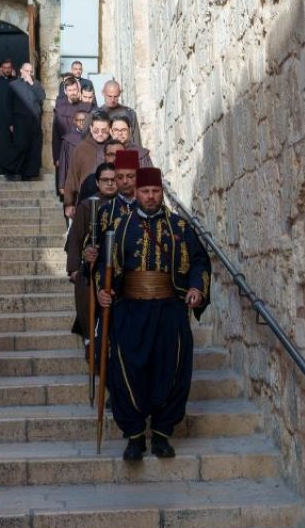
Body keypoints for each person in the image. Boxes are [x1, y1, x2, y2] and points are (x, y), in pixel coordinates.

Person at [90, 152, 211, 461]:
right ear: (136, 193)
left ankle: (161, 433)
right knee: (128, 371)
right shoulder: (117, 225)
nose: (150, 196)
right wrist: (102, 292)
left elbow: (198, 260)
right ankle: (133, 436)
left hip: (170, 310)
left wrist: (196, 287)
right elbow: (102, 266)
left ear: (161, 192)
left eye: (155, 191)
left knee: (170, 370)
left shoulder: (180, 226)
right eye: (145, 191)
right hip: (129, 310)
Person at [65, 162, 117, 345]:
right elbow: (75, 239)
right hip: (91, 268)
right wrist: (73, 268)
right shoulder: (87, 206)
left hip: (116, 269)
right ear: (97, 182)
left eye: (113, 179)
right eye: (105, 180)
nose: (110, 184)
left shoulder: (124, 205)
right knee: (89, 311)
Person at [63, 111, 112, 217]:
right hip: (86, 201)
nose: (100, 133)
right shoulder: (81, 148)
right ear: (90, 128)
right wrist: (69, 203)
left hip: (112, 202)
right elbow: (72, 177)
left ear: (110, 129)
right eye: (96, 130)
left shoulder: (115, 148)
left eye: (104, 130)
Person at [6, 62, 45, 181]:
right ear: (21, 71)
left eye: (31, 71)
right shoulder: (13, 85)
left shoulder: (36, 84)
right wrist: (10, 123)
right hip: (19, 120)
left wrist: (32, 84)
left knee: (33, 146)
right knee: (20, 146)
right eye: (27, 71)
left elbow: (41, 97)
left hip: (34, 119)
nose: (29, 73)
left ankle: (28, 173)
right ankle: (10, 170)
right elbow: (8, 105)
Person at [52, 77, 90, 194]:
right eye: (70, 90)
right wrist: (56, 157)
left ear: (78, 89)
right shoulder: (59, 110)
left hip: (83, 151)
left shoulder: (87, 108)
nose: (72, 92)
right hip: (65, 152)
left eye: (74, 89)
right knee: (67, 189)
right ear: (65, 91)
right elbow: (56, 135)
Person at [83, 80, 142, 149]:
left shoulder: (130, 114)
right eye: (109, 96)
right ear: (103, 93)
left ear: (120, 93)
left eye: (115, 96)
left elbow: (137, 142)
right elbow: (85, 141)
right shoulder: (93, 115)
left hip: (125, 154)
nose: (112, 100)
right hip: (100, 156)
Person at [57, 110, 87, 201]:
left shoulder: (94, 137)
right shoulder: (67, 140)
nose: (82, 123)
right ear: (74, 121)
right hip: (73, 178)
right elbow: (63, 162)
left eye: (84, 120)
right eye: (79, 120)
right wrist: (62, 184)